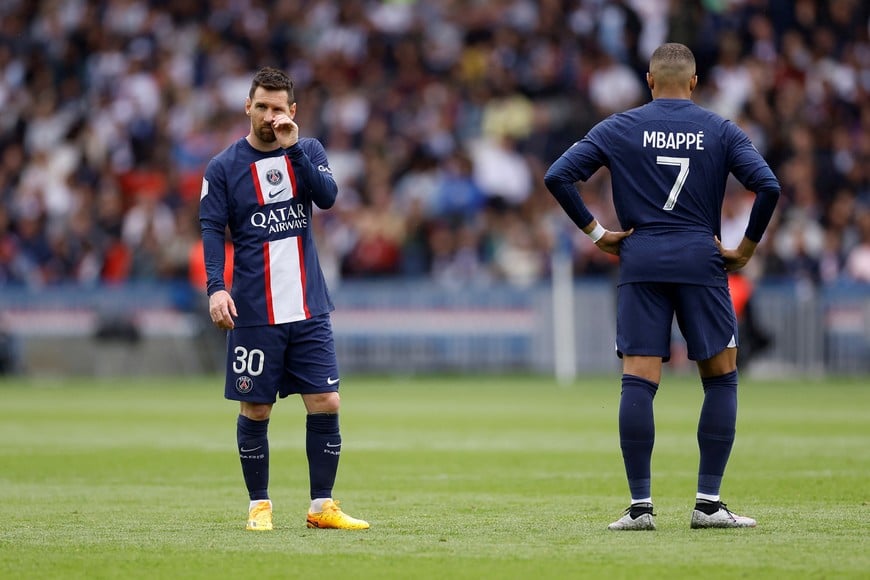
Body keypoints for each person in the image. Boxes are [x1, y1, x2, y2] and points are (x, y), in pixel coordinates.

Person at [544, 43, 780, 531]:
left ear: (649, 81)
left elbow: (558, 175)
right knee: (720, 377)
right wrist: (746, 248)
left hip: (641, 258)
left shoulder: (619, 126)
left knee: (639, 378)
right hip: (702, 258)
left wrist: (597, 234)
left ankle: (639, 507)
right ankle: (708, 503)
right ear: (694, 83)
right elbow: (769, 186)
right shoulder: (720, 129)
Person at [199, 67, 369, 532]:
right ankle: (259, 505)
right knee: (256, 408)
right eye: (262, 107)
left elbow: (328, 197)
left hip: (309, 305)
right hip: (254, 310)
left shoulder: (308, 151)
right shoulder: (224, 167)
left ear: (292, 112)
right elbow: (213, 230)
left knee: (327, 401)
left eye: (278, 108)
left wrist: (293, 147)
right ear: (247, 108)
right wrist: (217, 287)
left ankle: (322, 507)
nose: (269, 116)